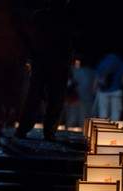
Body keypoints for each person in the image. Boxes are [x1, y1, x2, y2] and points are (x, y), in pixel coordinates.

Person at [14, 0, 73, 141]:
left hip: (43, 61)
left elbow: (30, 36)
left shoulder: (41, 16)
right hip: (55, 62)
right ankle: (48, 131)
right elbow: (69, 41)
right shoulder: (65, 17)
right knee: (52, 98)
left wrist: (32, 54)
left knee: (36, 96)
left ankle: (26, 129)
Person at [95, 53, 123, 121]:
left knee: (103, 111)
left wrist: (94, 87)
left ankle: (103, 125)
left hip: (103, 91)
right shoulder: (121, 63)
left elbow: (97, 78)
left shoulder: (102, 62)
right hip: (116, 90)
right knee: (116, 111)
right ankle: (114, 126)